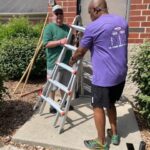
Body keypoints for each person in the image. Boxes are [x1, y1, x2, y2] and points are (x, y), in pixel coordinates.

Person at [69, 0, 128, 149]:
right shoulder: (122, 21)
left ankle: (101, 142)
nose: (90, 16)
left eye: (89, 12)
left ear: (96, 9)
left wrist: (72, 60)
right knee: (110, 103)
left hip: (104, 78)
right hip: (120, 75)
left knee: (97, 106)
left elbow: (81, 51)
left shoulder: (93, 27)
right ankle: (114, 134)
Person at [43, 5, 73, 113]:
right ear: (53, 15)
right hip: (54, 63)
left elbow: (72, 43)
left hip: (66, 63)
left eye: (61, 13)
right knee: (52, 86)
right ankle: (52, 104)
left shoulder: (67, 28)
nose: (59, 16)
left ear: (63, 15)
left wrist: (77, 36)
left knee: (65, 85)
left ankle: (64, 102)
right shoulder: (49, 28)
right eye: (57, 14)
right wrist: (60, 42)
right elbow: (46, 44)